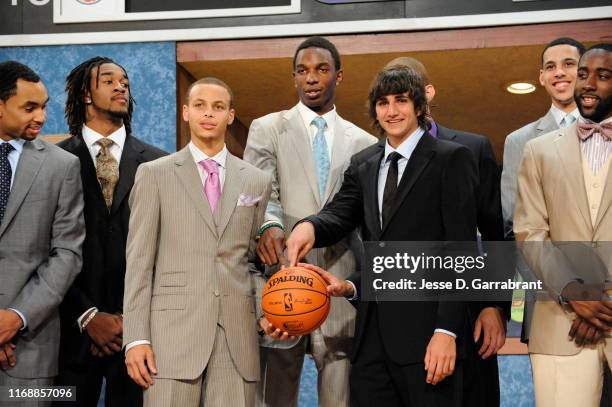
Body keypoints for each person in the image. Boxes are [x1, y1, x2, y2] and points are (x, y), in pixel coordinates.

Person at [287, 65, 478, 407]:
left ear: (419, 106)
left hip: (429, 338)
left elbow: (460, 251)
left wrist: (446, 332)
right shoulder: (365, 163)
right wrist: (310, 226)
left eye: (401, 101)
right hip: (371, 341)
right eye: (383, 102)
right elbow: (340, 213)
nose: (392, 111)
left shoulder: (452, 159)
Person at [243, 36, 376, 407]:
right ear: (294, 78)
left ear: (339, 75)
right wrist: (268, 226)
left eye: (321, 69)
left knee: (339, 400)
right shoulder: (267, 128)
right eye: (302, 71)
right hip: (282, 283)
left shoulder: (364, 141)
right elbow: (257, 194)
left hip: (338, 283)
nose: (312, 78)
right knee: (273, 400)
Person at [123, 77, 272, 407]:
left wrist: (267, 309)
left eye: (218, 107)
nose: (209, 114)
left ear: (231, 116)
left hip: (237, 340)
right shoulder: (154, 174)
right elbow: (138, 263)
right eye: (201, 106)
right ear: (186, 112)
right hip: (171, 338)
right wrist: (136, 337)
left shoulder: (257, 180)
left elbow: (250, 262)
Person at [385, 56, 507, 407]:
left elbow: (494, 233)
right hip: (401, 311)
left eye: (406, 92)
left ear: (427, 92)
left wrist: (493, 306)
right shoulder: (376, 158)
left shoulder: (472, 147)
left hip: (465, 310)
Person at [53, 56, 166, 407]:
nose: (121, 87)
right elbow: (43, 250)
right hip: (68, 337)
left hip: (139, 338)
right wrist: (88, 316)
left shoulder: (159, 164)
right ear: (86, 93)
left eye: (126, 82)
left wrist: (129, 320)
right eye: (109, 81)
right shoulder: (53, 161)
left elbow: (166, 251)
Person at [514, 44, 612, 407]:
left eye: (603, 76)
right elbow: (529, 232)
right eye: (584, 74)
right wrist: (573, 290)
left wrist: (600, 301)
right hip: (560, 322)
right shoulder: (538, 150)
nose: (588, 84)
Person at [0, 60, 85, 405]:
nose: (41, 117)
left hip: (30, 350)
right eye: (29, 108)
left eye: (44, 106)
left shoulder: (62, 165)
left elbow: (67, 253)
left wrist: (15, 318)